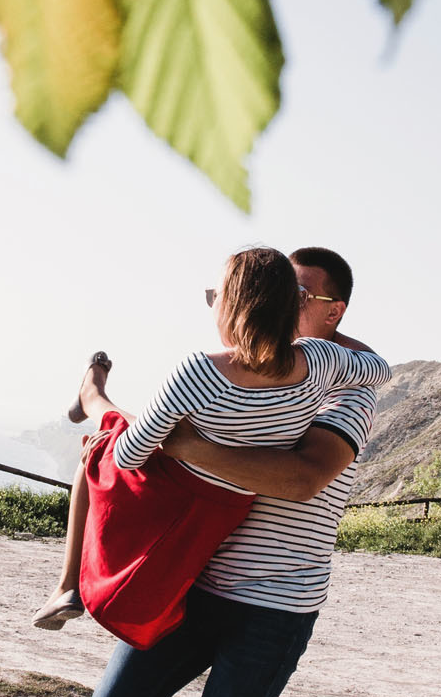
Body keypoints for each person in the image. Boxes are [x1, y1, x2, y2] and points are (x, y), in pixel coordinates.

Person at [72, 246, 384, 697]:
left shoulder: (345, 389)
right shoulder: (242, 371)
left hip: (276, 601)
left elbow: (301, 477)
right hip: (197, 583)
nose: (284, 302)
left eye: (302, 293)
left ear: (333, 311)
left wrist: (183, 443)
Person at [31, 248, 386, 645]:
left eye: (214, 296)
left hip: (177, 490)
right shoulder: (320, 361)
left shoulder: (201, 371)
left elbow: (131, 455)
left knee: (102, 444)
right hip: (229, 505)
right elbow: (379, 368)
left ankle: (91, 398)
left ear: (233, 305)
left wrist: (172, 442)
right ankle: (93, 396)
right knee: (130, 429)